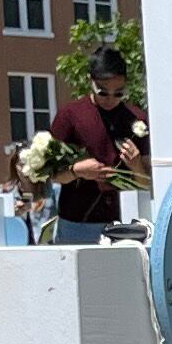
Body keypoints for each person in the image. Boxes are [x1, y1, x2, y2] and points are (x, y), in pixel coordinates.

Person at [46, 60, 149, 241]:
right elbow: (53, 174)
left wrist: (136, 164)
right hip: (77, 224)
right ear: (90, 81)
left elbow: (147, 183)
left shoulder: (137, 119)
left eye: (119, 93)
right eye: (103, 92)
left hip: (125, 223)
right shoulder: (70, 115)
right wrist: (77, 171)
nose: (110, 99)